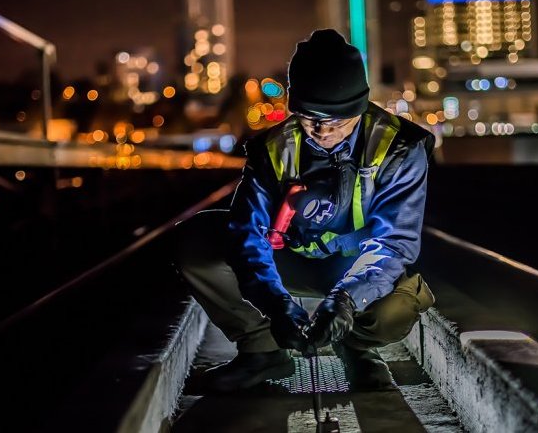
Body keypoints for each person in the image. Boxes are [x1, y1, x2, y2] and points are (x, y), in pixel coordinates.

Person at [174, 28, 435, 392]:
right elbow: (247, 233)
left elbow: (393, 244)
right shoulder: (273, 148)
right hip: (291, 262)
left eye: (337, 120)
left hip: (355, 265)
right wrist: (275, 304)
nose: (322, 130)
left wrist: (344, 301)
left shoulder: (400, 149)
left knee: (394, 311)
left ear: (358, 107)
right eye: (311, 117)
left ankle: (358, 350)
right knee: (198, 241)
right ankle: (261, 352)